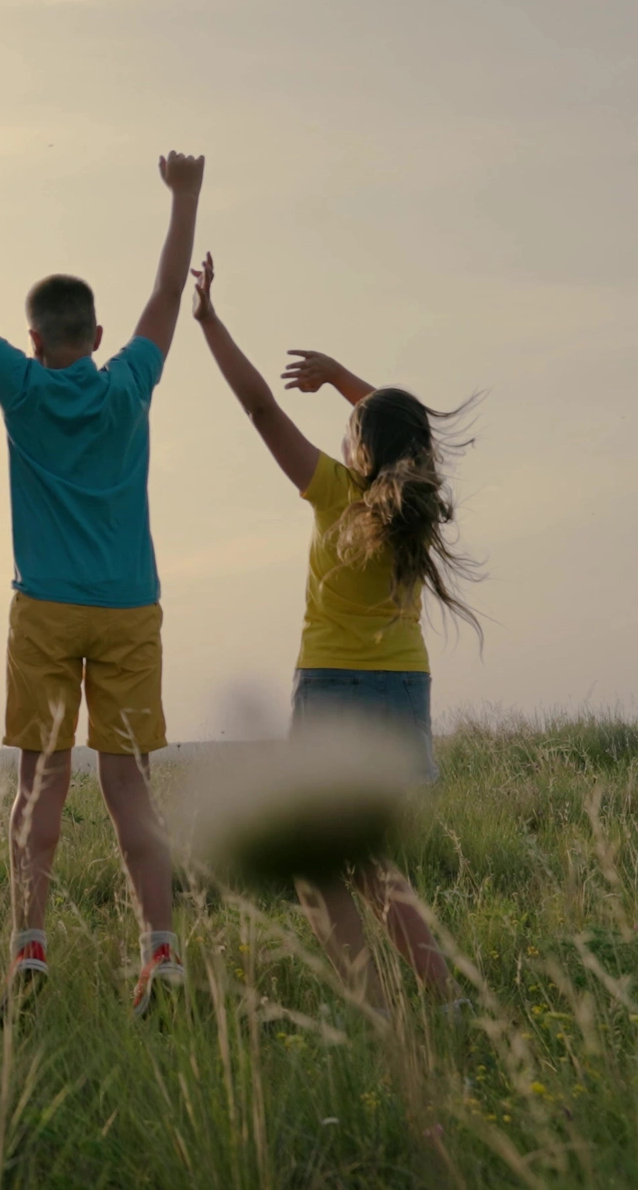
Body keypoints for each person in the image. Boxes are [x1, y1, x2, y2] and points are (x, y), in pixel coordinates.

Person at [0, 137, 202, 1018]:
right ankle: (163, 951)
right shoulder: (129, 385)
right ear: (98, 336)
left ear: (32, 340)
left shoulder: (22, 390)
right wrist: (184, 197)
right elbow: (164, 296)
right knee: (127, 786)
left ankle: (28, 949)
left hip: (44, 613)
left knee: (41, 784)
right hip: (128, 612)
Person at [189, 254, 470, 998]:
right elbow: (405, 429)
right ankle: (439, 998)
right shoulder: (422, 505)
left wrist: (210, 322)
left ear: (360, 451)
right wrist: (347, 380)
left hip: (336, 687)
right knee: (376, 864)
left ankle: (376, 1007)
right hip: (403, 689)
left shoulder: (334, 492)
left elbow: (258, 407)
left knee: (319, 869)